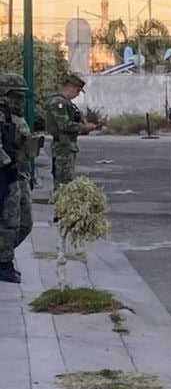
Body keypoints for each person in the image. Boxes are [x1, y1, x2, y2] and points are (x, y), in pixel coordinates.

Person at [0, 74, 37, 284]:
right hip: (7, 176)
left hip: (19, 174)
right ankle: (4, 263)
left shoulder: (15, 117)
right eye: (16, 96)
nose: (21, 101)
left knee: (25, 223)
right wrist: (7, 165)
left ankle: (3, 255)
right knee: (8, 223)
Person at [45, 72, 97, 189]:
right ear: (71, 87)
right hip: (62, 146)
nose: (77, 94)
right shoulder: (58, 103)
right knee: (64, 180)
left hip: (67, 145)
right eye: (77, 91)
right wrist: (83, 127)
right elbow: (64, 124)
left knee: (66, 178)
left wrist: (83, 127)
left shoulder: (66, 103)